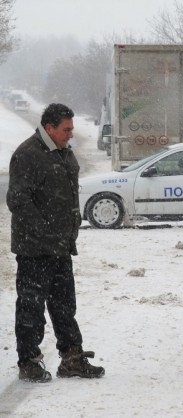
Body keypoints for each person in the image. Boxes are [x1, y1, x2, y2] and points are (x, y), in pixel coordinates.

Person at [7, 103, 105, 383]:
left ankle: (72, 358)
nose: (71, 134)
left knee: (64, 305)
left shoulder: (63, 152)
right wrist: (45, 230)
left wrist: (67, 232)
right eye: (67, 129)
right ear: (49, 128)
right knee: (31, 307)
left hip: (60, 246)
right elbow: (17, 200)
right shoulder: (28, 155)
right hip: (35, 248)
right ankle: (28, 361)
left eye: (72, 129)